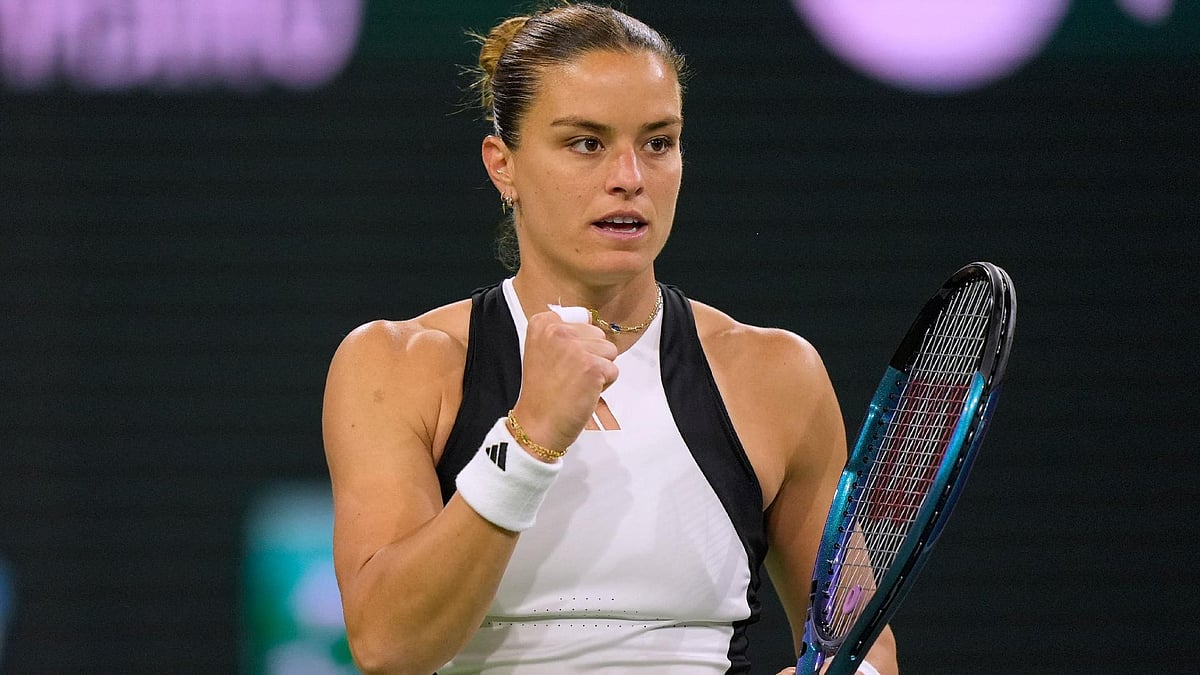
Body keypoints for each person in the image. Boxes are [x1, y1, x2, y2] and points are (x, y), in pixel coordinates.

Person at [321, 3, 899, 673]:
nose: (629, 177)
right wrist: (529, 437)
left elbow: (863, 643)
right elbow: (389, 644)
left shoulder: (776, 375)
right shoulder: (398, 366)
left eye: (658, 142)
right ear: (502, 165)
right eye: (586, 143)